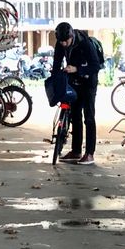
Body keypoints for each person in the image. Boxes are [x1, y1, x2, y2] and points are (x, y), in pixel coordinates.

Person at [52, 21, 100, 165]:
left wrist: (77, 69)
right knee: (75, 115)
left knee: (89, 117)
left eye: (66, 41)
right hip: (74, 82)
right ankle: (76, 151)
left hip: (88, 81)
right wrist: (56, 78)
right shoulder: (60, 44)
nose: (64, 44)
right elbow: (56, 61)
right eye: (61, 42)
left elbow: (95, 65)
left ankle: (90, 154)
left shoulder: (84, 43)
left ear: (72, 36)